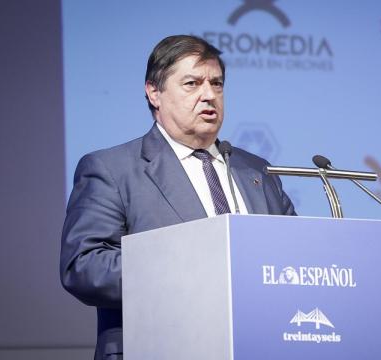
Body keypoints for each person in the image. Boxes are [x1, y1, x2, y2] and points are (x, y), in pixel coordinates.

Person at [60, 35, 296, 359]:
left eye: (217, 83)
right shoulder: (112, 169)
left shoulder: (257, 172)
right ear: (154, 92)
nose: (209, 95)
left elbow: (294, 260)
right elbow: (85, 266)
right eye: (192, 83)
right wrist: (191, 273)